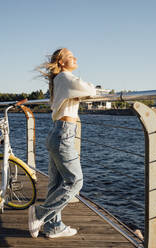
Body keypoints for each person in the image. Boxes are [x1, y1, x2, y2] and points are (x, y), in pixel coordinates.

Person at [28, 48, 97, 239]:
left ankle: (54, 226)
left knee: (56, 183)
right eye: (70, 56)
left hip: (58, 132)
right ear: (61, 63)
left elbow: (81, 92)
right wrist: (88, 89)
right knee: (76, 181)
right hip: (63, 134)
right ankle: (40, 214)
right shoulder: (66, 78)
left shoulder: (60, 80)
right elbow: (91, 90)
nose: (75, 58)